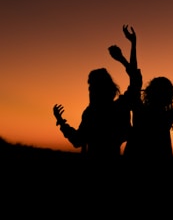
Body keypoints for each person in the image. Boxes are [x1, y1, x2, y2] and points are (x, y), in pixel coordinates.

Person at [53, 25, 140, 159]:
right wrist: (127, 51)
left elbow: (77, 140)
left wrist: (61, 122)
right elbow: (135, 81)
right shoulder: (118, 108)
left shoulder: (91, 113)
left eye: (91, 86)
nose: (89, 89)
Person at [111, 33, 173, 160]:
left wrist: (131, 47)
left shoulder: (140, 109)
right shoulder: (167, 117)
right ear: (169, 97)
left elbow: (134, 77)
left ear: (149, 92)